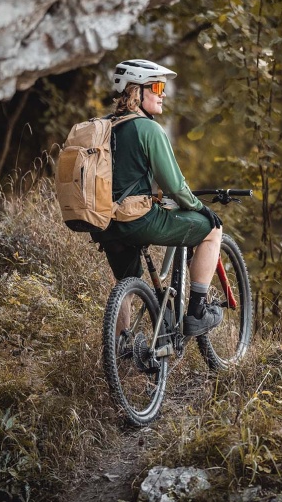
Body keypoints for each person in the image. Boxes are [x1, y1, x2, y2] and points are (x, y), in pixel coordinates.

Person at [91, 59, 225, 337]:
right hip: (137, 220)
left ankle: (121, 353)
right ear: (135, 91)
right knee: (212, 230)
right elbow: (174, 185)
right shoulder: (148, 128)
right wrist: (199, 208)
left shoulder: (102, 127)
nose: (162, 93)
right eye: (156, 86)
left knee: (127, 284)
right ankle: (198, 312)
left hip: (104, 224)